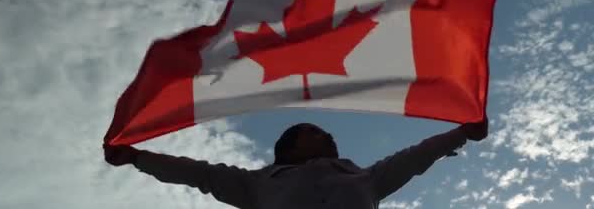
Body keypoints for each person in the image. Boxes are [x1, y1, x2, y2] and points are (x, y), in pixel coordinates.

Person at [104, 119, 488, 209]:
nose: (327, 136)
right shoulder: (257, 183)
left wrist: (460, 133)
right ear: (288, 147)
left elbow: (414, 158)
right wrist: (138, 157)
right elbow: (199, 173)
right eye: (314, 132)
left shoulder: (366, 178)